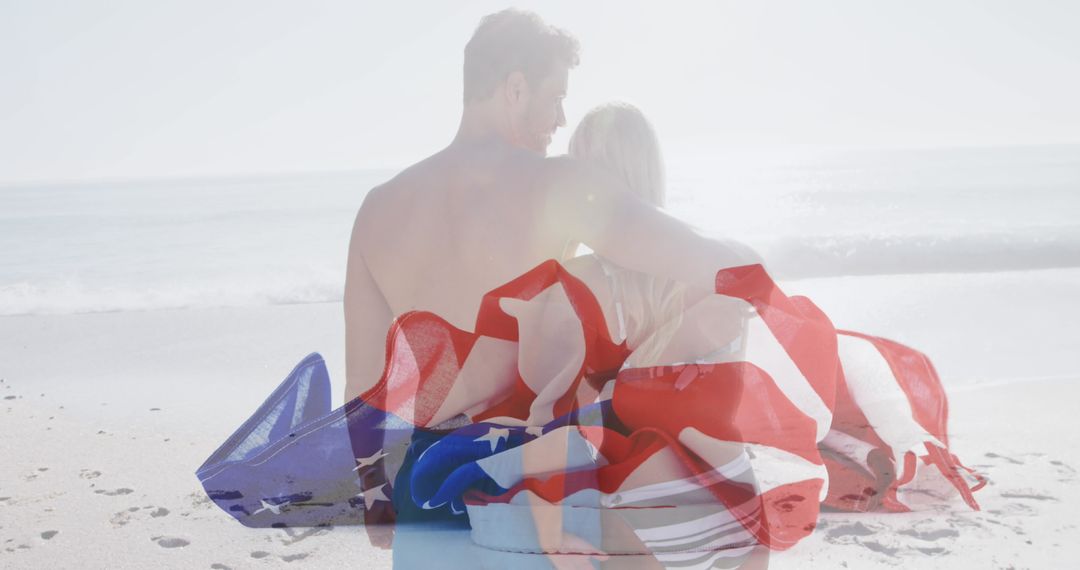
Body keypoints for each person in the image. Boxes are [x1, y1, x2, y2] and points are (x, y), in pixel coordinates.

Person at [343, 8, 760, 403]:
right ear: (517, 89)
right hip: (531, 461)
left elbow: (361, 389)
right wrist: (756, 268)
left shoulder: (375, 210)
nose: (561, 119)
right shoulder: (557, 184)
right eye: (556, 97)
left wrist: (380, 480)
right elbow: (699, 254)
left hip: (432, 467)